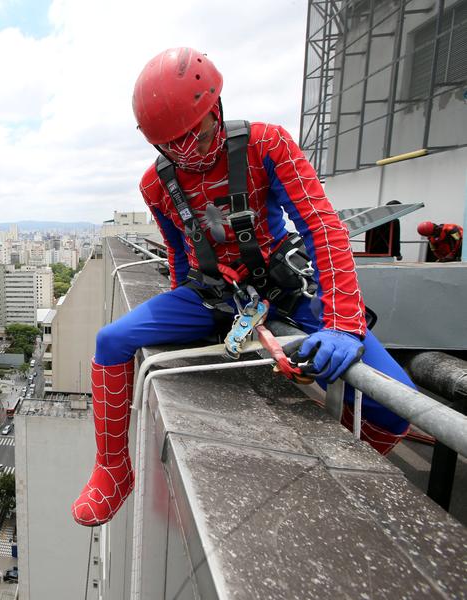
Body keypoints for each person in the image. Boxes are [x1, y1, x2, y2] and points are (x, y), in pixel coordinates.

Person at [71, 47, 416, 528]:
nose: (190, 153)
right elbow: (177, 251)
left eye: (200, 134)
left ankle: (340, 469)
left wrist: (342, 322)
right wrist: (182, 312)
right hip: (211, 294)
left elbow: (322, 227)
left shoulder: (267, 145)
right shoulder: (156, 186)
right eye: (173, 146)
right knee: (110, 341)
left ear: (217, 108)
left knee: (397, 401)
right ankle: (113, 468)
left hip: (282, 287)